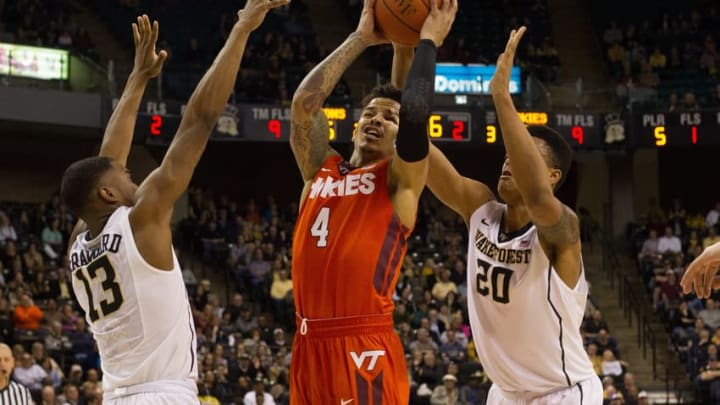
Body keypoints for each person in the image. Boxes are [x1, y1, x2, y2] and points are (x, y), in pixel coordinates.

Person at [60, 3, 287, 404]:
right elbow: (199, 119)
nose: (131, 175)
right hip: (164, 395)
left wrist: (137, 79)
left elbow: (108, 160)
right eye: (125, 177)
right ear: (108, 194)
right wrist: (241, 29)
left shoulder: (78, 243)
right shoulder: (141, 219)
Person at [287, 0, 457, 403]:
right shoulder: (319, 171)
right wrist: (360, 38)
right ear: (357, 124)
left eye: (390, 118)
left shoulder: (399, 180)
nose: (377, 119)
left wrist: (428, 42)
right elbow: (302, 107)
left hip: (363, 344)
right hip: (307, 344)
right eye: (370, 113)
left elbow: (415, 115)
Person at [425, 27, 603, 403]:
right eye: (507, 156)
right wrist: (413, 53)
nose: (509, 162)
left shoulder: (562, 229)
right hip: (506, 394)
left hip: (563, 392)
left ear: (552, 176)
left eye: (524, 159)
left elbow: (537, 196)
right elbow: (417, 150)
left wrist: (502, 99)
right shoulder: (480, 209)